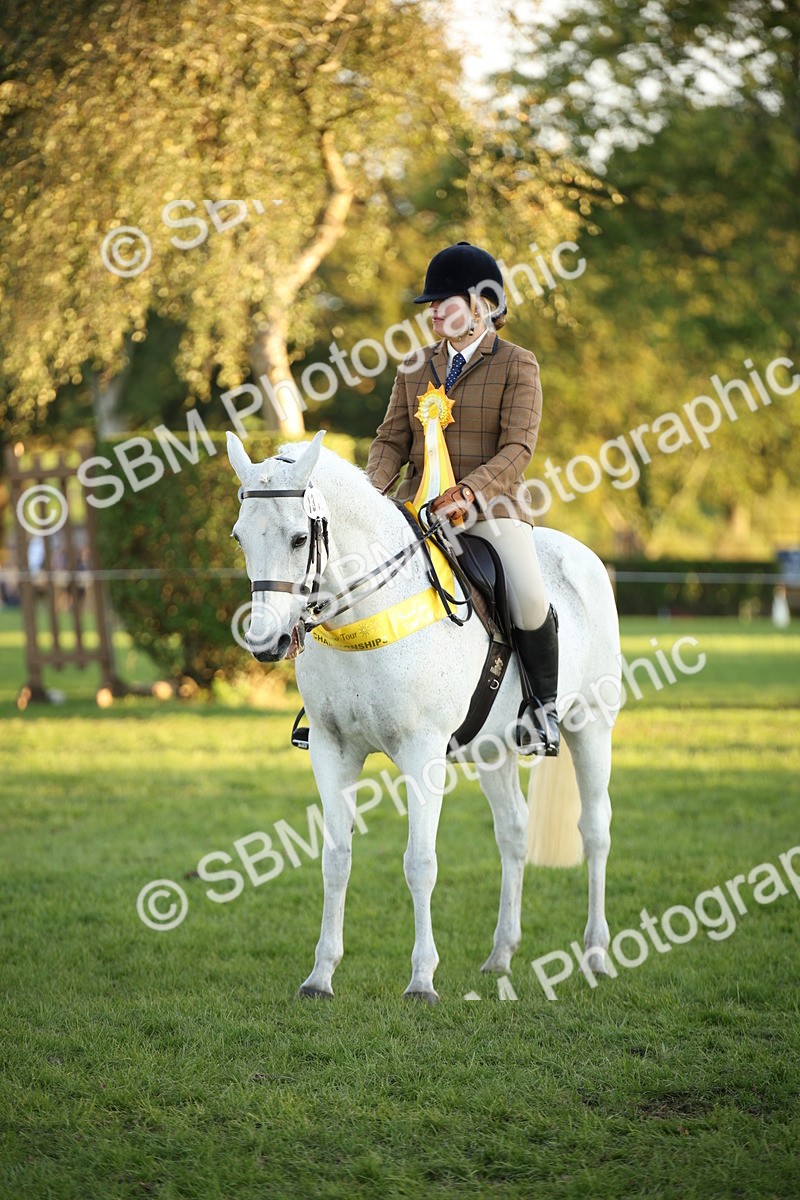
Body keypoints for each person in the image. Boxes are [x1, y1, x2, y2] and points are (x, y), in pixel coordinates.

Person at [365, 241, 560, 755]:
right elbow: (390, 441)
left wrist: (470, 491)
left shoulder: (517, 364)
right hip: (416, 511)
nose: (432, 312)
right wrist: (369, 495)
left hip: (490, 512)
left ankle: (542, 709)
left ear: (481, 304)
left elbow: (519, 446)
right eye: (430, 304)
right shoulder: (414, 366)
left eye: (443, 301)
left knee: (530, 593)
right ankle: (338, 708)